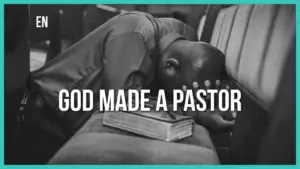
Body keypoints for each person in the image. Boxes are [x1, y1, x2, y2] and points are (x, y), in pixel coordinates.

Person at [11, 11, 234, 163]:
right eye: (181, 95)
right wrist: (196, 115)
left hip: (63, 120)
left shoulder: (181, 41)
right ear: (170, 66)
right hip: (40, 117)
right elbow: (126, 109)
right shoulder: (135, 36)